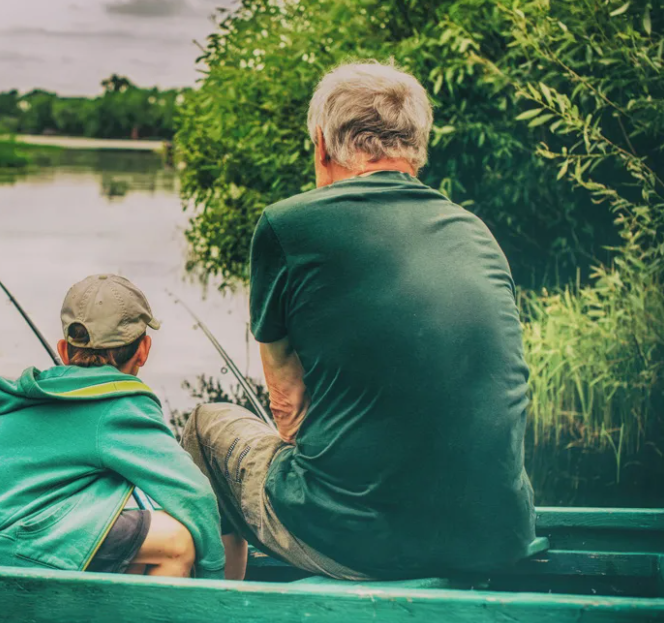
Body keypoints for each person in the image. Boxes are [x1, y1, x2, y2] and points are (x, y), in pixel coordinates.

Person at [183, 62, 536, 581]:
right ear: (418, 146)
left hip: (362, 546)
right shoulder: (475, 231)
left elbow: (288, 408)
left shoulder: (287, 224)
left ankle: (218, 609)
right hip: (498, 534)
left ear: (322, 145)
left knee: (205, 426)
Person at [0, 274, 226, 578]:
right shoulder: (120, 403)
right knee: (176, 542)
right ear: (144, 350)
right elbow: (194, 495)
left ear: (64, 351)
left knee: (130, 530)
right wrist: (213, 578)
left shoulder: (39, 390)